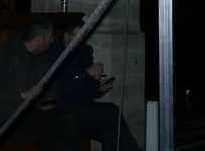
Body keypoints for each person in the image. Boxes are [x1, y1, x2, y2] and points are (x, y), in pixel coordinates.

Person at [0, 15, 84, 151]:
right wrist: (21, 94)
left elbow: (53, 84)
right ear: (38, 39)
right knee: (63, 118)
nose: (53, 40)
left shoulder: (43, 57)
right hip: (10, 120)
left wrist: (49, 101)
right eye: (50, 37)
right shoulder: (6, 54)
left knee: (63, 144)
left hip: (35, 116)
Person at [48, 15, 141, 151]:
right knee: (112, 110)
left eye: (82, 36)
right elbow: (60, 88)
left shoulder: (82, 54)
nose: (81, 39)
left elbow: (90, 90)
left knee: (110, 133)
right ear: (66, 36)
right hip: (66, 109)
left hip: (85, 107)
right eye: (77, 36)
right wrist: (86, 73)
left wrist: (100, 88)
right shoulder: (55, 53)